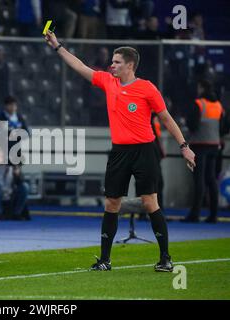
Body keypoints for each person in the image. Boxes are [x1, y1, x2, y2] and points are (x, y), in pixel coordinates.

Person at [44, 30, 196, 272]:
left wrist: (184, 146)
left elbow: (166, 119)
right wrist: (57, 46)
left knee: (150, 202)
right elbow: (80, 67)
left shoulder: (147, 88)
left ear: (130, 65)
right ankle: (105, 260)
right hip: (119, 152)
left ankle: (165, 258)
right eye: (112, 62)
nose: (111, 65)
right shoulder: (108, 82)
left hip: (145, 151)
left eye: (116, 62)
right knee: (112, 203)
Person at [183, 80, 224, 223]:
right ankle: (213, 215)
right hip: (214, 145)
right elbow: (224, 126)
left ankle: (195, 214)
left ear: (201, 89)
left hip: (199, 145)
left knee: (198, 180)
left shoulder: (199, 104)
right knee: (211, 179)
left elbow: (192, 125)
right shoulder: (218, 105)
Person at [0, 149, 29, 220]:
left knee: (25, 186)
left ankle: (17, 213)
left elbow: (21, 181)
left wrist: (17, 174)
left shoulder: (11, 166)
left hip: (10, 194)